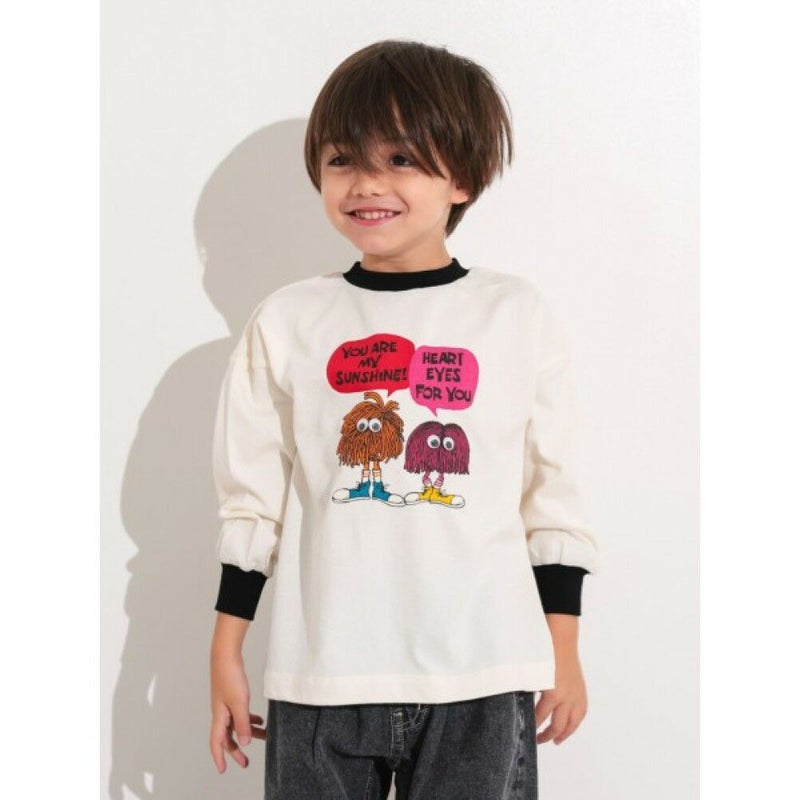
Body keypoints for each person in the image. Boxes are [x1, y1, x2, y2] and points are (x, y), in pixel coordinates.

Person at [208, 39, 598, 799]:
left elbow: (552, 494)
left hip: (483, 673)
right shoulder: (289, 320)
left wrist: (564, 646)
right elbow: (251, 502)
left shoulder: (514, 315)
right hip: (322, 677)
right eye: (343, 159)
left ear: (463, 177)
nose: (367, 184)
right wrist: (227, 649)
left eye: (400, 159)